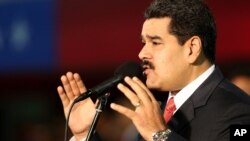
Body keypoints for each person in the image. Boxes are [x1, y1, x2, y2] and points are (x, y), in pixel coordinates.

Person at [57, 0, 250, 140]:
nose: (142, 54)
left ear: (192, 48)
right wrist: (85, 135)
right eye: (143, 42)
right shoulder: (157, 112)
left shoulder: (239, 112)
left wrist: (160, 135)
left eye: (155, 42)